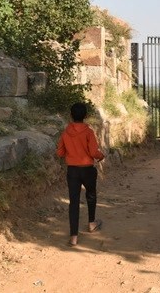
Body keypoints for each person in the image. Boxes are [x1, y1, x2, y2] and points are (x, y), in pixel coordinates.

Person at [56, 102, 105, 246]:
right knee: (91, 194)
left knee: (74, 202)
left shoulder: (65, 133)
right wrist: (101, 156)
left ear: (70, 115)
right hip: (87, 169)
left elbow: (60, 152)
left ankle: (73, 237)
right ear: (86, 116)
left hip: (72, 170)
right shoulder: (88, 132)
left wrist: (70, 151)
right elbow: (93, 152)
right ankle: (91, 223)